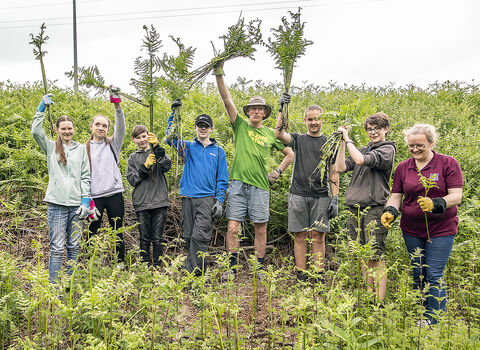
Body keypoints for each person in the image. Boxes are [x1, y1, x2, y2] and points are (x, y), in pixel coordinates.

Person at [214, 64, 294, 279]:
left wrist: (277, 172)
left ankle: (258, 268)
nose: (256, 111)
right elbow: (227, 100)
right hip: (238, 185)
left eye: (260, 109)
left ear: (264, 113)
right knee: (232, 228)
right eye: (253, 108)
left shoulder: (270, 134)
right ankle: (230, 269)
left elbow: (290, 154)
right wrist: (219, 73)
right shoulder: (240, 126)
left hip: (260, 186)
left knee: (260, 228)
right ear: (248, 112)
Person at [381, 123, 463, 325]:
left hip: (441, 228)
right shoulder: (403, 167)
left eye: (420, 145)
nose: (415, 149)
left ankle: (433, 319)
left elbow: (456, 195)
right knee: (418, 271)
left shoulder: (447, 163)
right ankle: (422, 310)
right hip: (412, 229)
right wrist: (390, 210)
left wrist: (437, 203)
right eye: (411, 146)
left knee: (434, 272)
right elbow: (396, 195)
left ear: (431, 143)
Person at [275, 97, 339, 281]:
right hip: (298, 194)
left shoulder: (329, 143)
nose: (313, 122)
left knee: (318, 236)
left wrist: (335, 197)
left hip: (321, 195)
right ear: (305, 121)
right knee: (300, 235)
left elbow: (333, 172)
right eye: (310, 119)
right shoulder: (298, 139)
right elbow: (279, 134)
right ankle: (301, 274)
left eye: (316, 119)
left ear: (322, 120)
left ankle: (318, 275)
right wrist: (282, 109)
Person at [334, 112, 396, 302]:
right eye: (369, 129)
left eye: (377, 128)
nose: (373, 132)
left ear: (386, 129)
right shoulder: (363, 149)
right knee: (361, 253)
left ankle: (378, 302)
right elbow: (340, 167)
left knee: (375, 255)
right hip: (356, 208)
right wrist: (343, 143)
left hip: (375, 208)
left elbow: (361, 160)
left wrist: (348, 138)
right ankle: (370, 296)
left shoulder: (387, 150)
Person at [31, 94, 94, 283]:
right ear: (57, 130)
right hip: (57, 205)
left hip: (77, 206)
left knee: (74, 246)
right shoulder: (51, 147)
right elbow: (35, 132)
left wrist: (85, 200)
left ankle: (69, 284)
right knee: (57, 248)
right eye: (63, 129)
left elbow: (85, 175)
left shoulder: (81, 149)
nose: (67, 131)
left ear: (74, 129)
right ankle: (54, 286)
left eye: (70, 128)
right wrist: (41, 108)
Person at [166, 102, 229, 276]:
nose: (203, 129)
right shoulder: (187, 147)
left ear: (211, 129)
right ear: (195, 127)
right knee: (188, 236)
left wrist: (220, 201)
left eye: (206, 126)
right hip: (187, 197)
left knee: (200, 236)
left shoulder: (218, 151)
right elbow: (169, 138)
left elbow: (222, 178)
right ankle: (200, 269)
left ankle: (191, 274)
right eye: (200, 125)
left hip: (207, 200)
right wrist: (174, 114)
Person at [86, 89, 127, 264]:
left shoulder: (113, 145)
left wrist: (117, 106)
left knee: (117, 230)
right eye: (98, 125)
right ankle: (91, 263)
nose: (101, 128)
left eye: (104, 126)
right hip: (94, 197)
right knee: (92, 231)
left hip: (114, 194)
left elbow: (121, 128)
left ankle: (119, 263)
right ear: (92, 127)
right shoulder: (84, 148)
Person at [127, 125, 171, 267]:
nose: (142, 140)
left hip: (159, 202)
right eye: (138, 137)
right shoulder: (133, 158)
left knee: (158, 238)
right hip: (142, 203)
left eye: (144, 136)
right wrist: (145, 167)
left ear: (149, 136)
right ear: (134, 140)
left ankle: (158, 266)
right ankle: (144, 267)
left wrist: (157, 148)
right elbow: (132, 180)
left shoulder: (157, 152)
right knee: (144, 238)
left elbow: (167, 166)